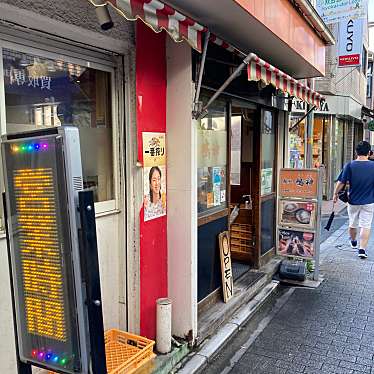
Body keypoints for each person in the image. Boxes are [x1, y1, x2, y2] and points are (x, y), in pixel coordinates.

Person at [333, 141, 374, 258]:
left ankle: (353, 241)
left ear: (356, 152)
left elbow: (341, 182)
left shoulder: (350, 165)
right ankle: (362, 249)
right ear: (369, 153)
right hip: (369, 201)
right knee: (365, 225)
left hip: (353, 201)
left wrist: (335, 194)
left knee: (352, 223)